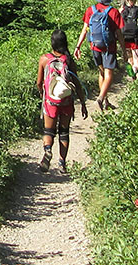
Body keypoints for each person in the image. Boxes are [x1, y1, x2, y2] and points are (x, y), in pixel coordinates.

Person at [36, 28, 88, 173]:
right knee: (64, 132)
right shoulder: (68, 60)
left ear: (52, 43)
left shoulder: (44, 59)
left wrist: (43, 95)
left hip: (50, 101)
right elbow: (77, 83)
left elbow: (39, 82)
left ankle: (47, 151)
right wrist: (83, 103)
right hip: (66, 101)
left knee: (49, 130)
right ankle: (62, 163)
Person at [75, 0, 123, 110]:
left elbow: (85, 30)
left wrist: (78, 46)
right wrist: (123, 49)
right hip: (108, 47)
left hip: (94, 46)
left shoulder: (90, 10)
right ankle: (101, 98)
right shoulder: (114, 12)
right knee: (108, 74)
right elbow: (119, 34)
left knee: (101, 72)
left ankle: (105, 101)